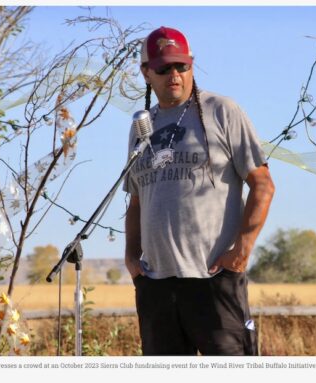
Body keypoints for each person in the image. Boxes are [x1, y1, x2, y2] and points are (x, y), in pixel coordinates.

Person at [123, 26, 275, 356]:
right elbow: (135, 200)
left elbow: (263, 184)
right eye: (163, 68)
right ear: (146, 72)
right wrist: (132, 258)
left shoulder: (222, 111)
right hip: (155, 285)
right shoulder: (141, 127)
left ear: (192, 66)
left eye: (182, 65)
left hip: (213, 280)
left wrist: (242, 251)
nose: (174, 75)